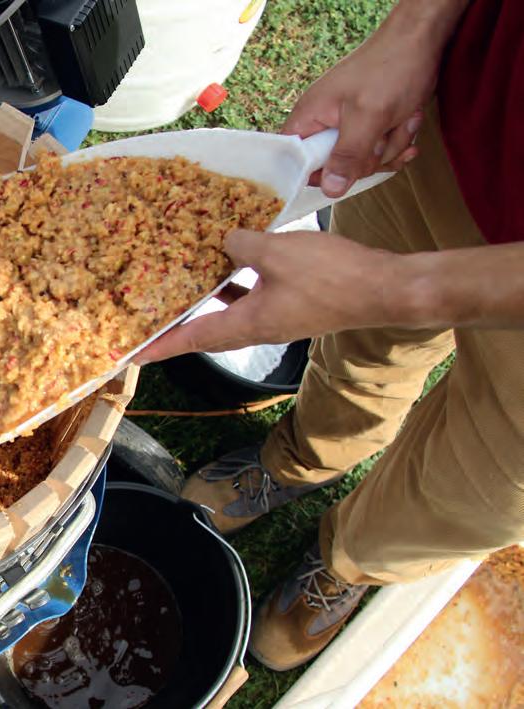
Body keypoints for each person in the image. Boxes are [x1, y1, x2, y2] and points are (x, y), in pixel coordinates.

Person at [135, 0, 523, 671]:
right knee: (362, 352)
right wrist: (418, 25)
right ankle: (303, 459)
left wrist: (403, 287)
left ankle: (351, 559)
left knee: (474, 489)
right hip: (465, 118)